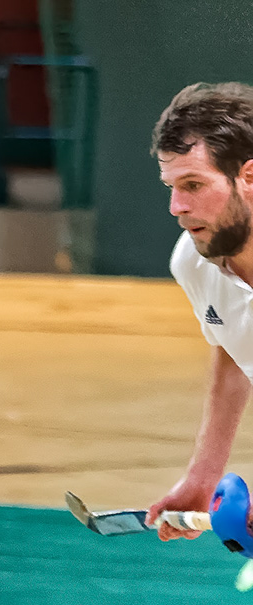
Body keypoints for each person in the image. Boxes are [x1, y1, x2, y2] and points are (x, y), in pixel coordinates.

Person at [147, 82, 253, 553]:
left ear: (249, 177)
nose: (177, 208)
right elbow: (236, 350)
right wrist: (203, 475)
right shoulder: (193, 260)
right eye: (171, 188)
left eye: (193, 185)